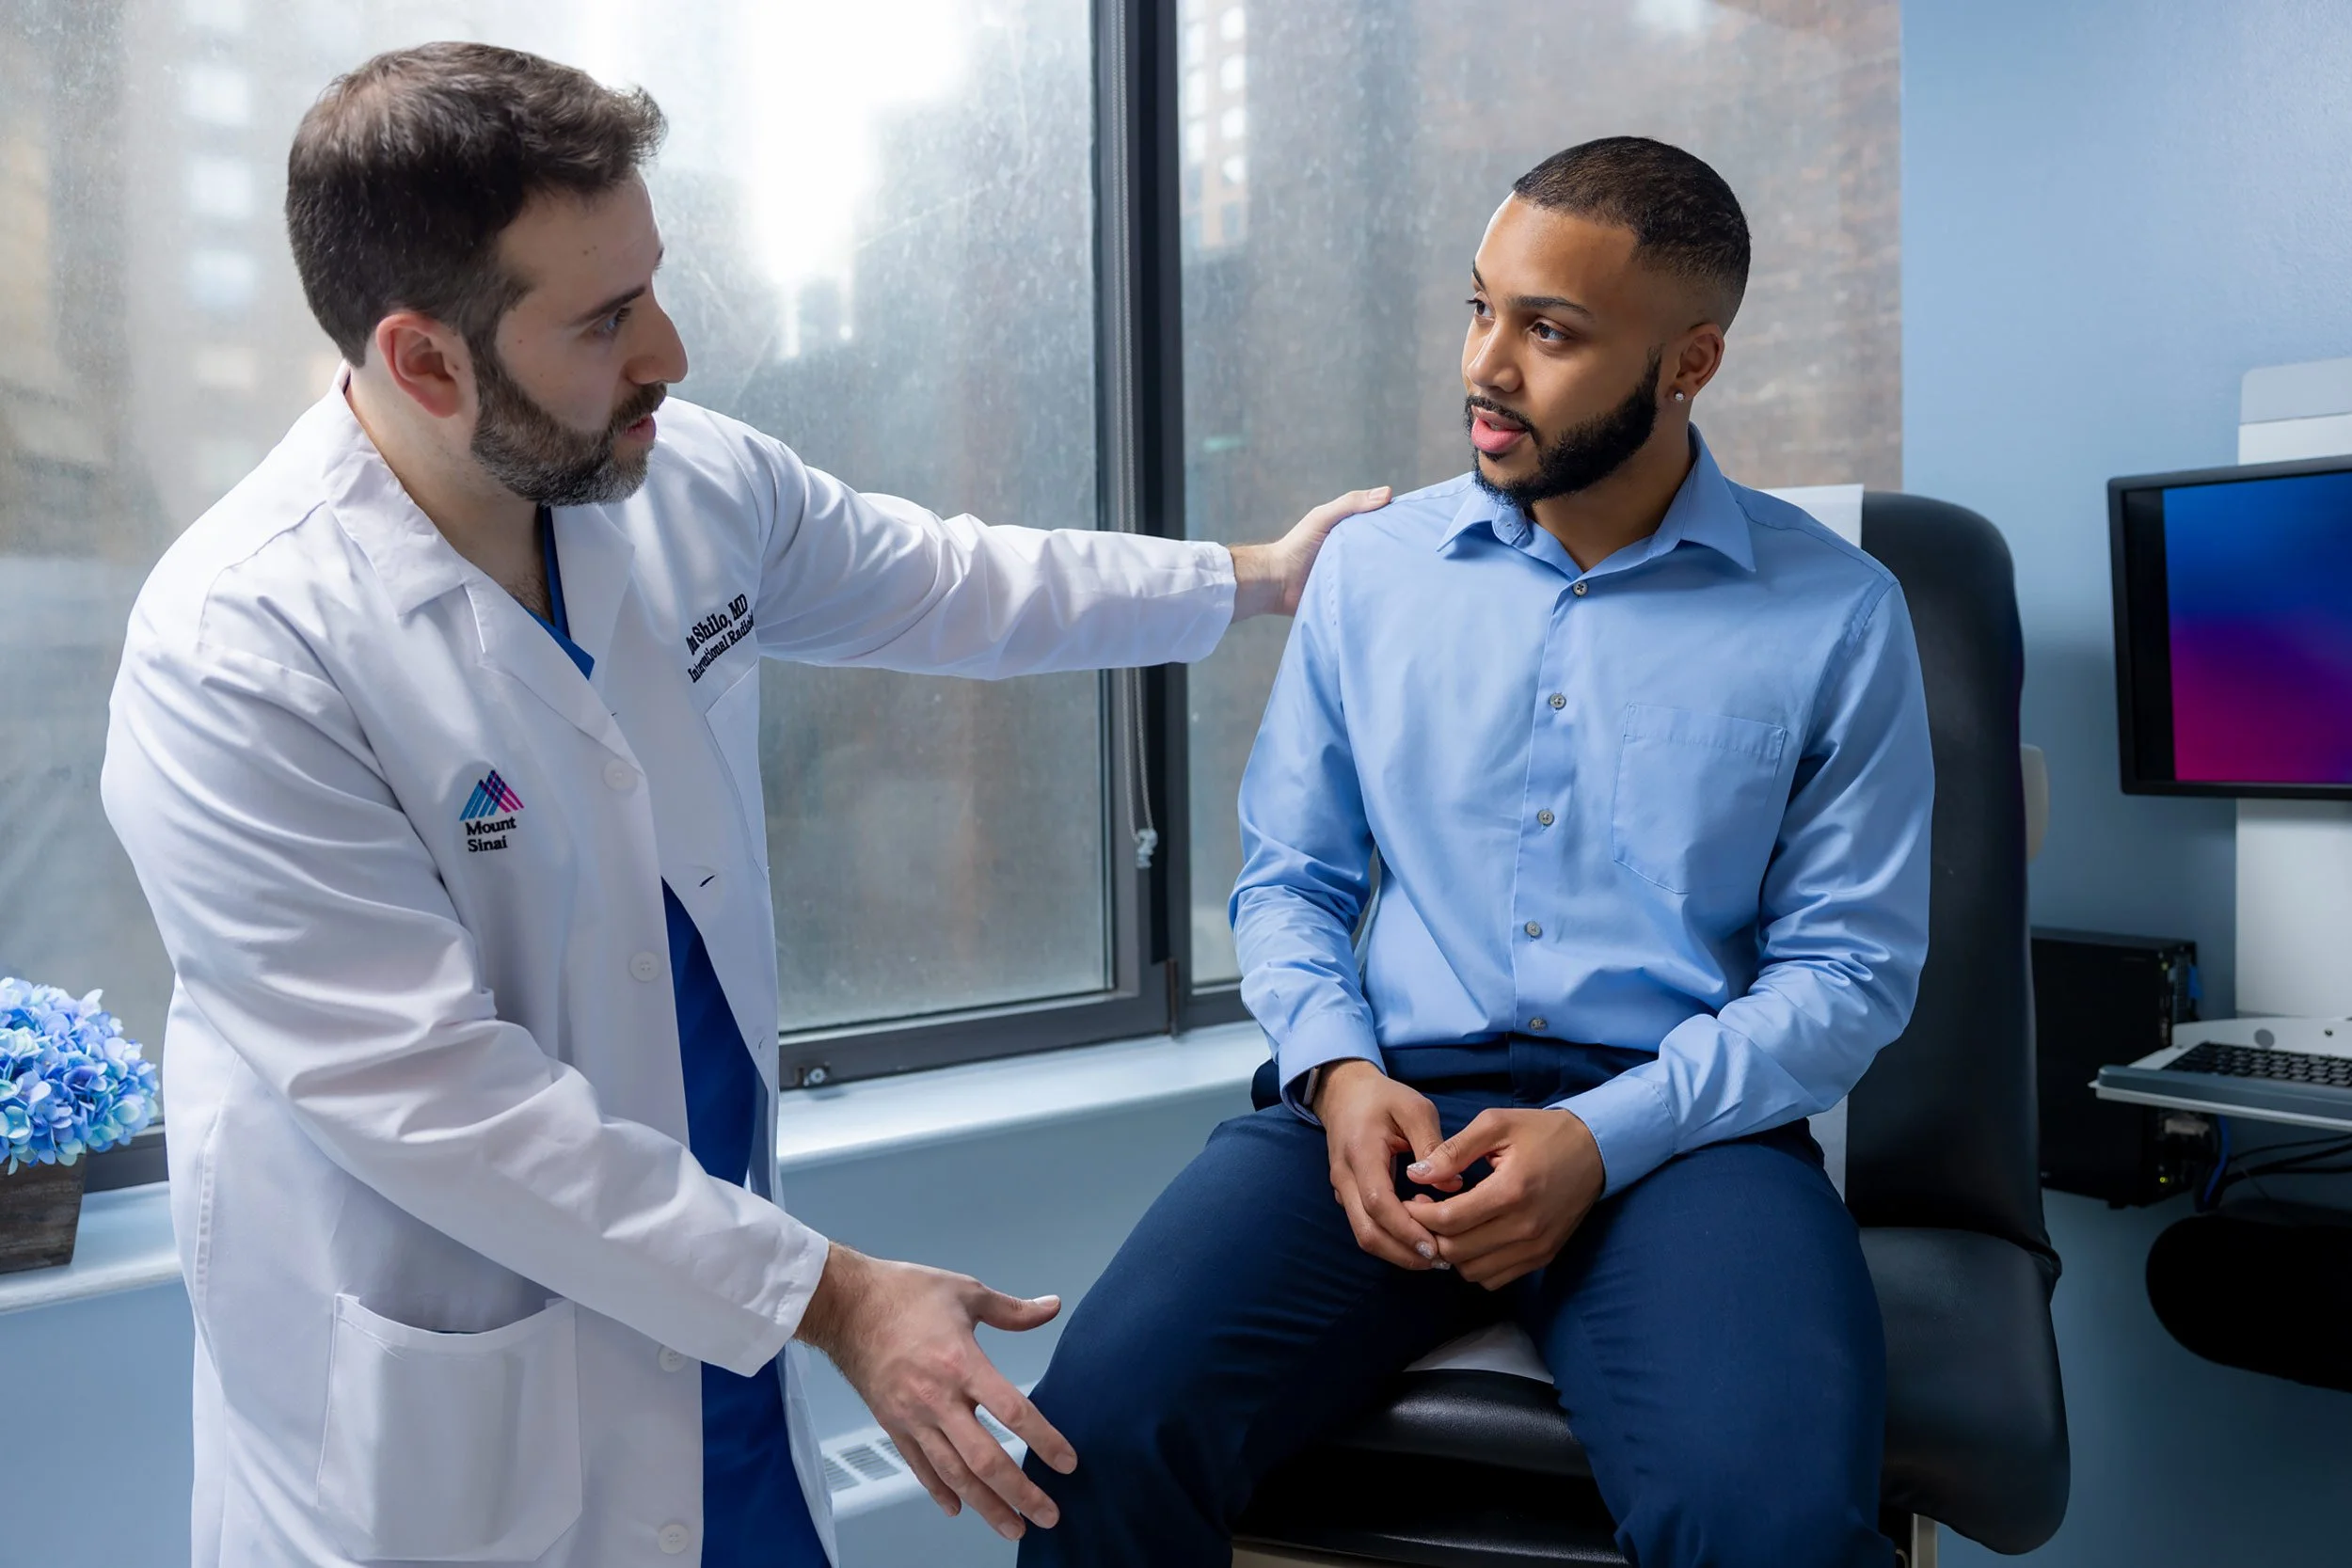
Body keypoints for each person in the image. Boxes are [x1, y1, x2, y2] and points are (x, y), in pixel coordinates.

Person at [99, 42, 1384, 1568]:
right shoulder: (240, 650)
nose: (672, 349)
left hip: (718, 1344)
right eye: (606, 319)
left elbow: (953, 582)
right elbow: (438, 1100)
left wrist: (1256, 579)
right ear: (426, 360)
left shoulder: (676, 482)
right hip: (460, 1410)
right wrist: (832, 1295)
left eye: (649, 285)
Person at [1018, 136, 1935, 1567]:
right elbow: (1292, 879)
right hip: (1390, 1103)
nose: (1485, 368)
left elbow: (1847, 973)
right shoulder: (1372, 575)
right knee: (1089, 1444)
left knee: (1772, 1530)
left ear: (1690, 363)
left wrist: (1602, 1137)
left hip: (1684, 1131)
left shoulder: (1841, 614)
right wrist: (1337, 1071)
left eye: (1549, 332)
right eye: (1480, 308)